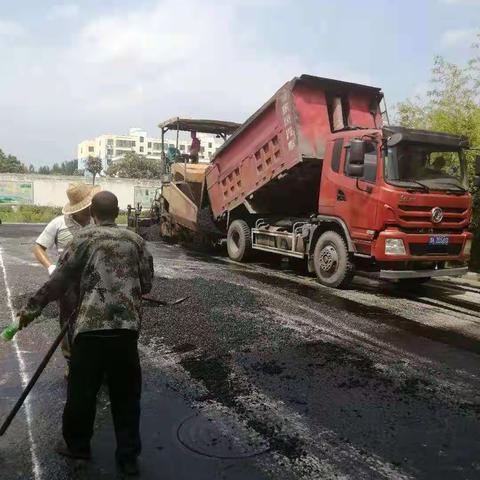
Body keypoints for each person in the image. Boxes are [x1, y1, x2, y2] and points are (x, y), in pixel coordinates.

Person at [18, 191, 154, 476]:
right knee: (127, 397)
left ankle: (78, 448)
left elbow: (60, 281)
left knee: (81, 393)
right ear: (117, 213)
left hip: (89, 331)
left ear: (93, 213)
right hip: (125, 332)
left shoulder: (82, 240)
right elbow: (147, 283)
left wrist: (31, 309)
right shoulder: (136, 241)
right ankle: (128, 457)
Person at [33, 183, 100, 369]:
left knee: (94, 321)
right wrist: (50, 266)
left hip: (94, 282)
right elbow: (38, 247)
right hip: (67, 284)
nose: (90, 209)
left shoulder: (97, 222)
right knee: (68, 322)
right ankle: (71, 362)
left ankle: (92, 362)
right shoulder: (58, 223)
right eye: (87, 206)